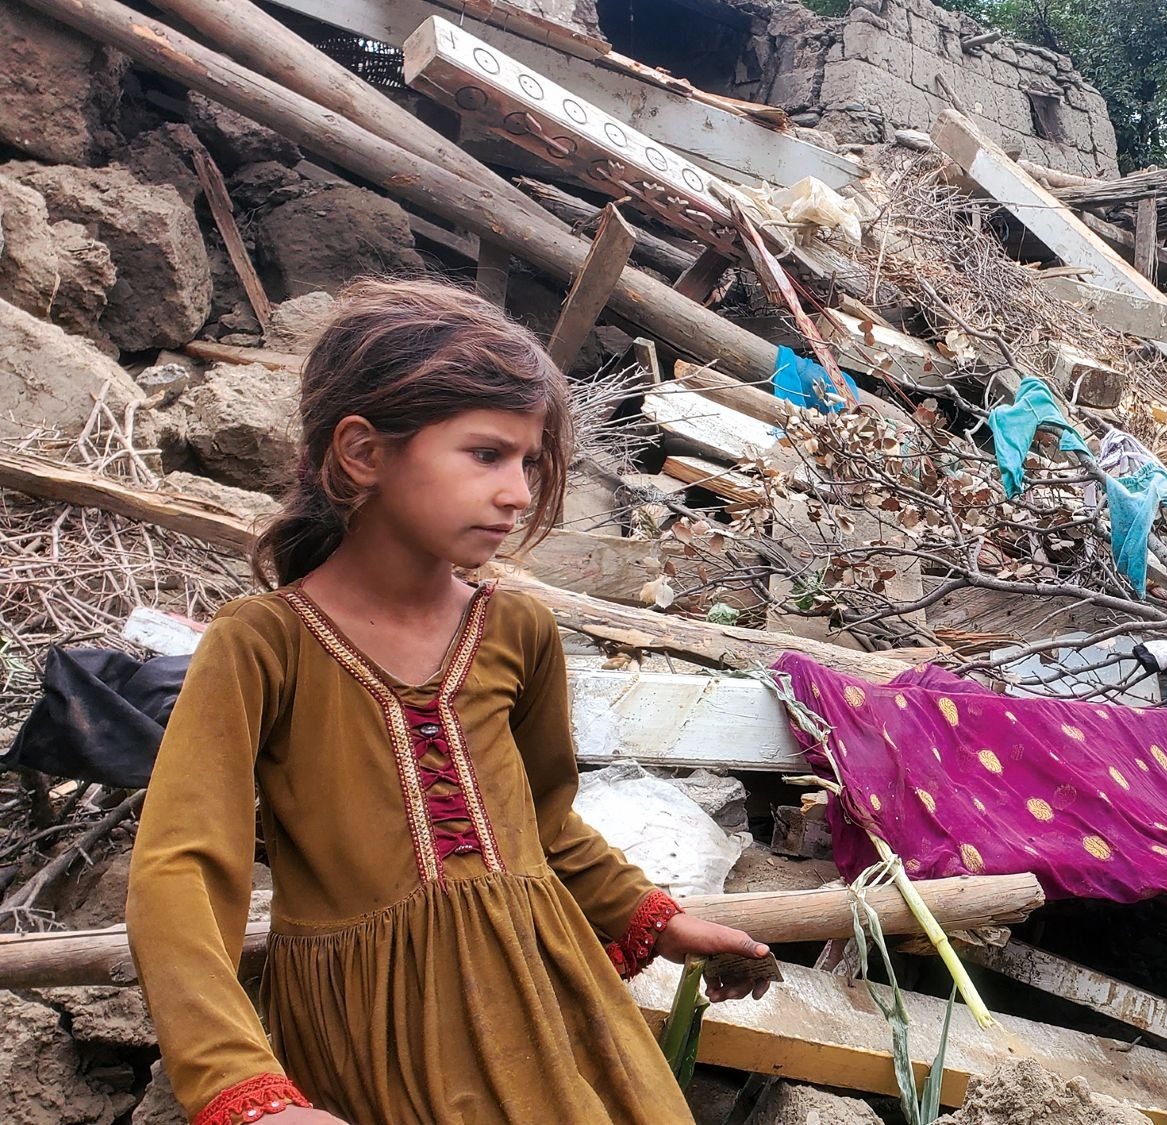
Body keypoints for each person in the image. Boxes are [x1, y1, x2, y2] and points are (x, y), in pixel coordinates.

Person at [127, 278, 770, 1125]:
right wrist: (238, 1086)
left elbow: (543, 822)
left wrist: (654, 916)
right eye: (486, 454)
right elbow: (180, 870)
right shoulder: (264, 645)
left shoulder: (517, 630)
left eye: (530, 462)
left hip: (548, 1003)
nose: (517, 491)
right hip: (382, 1034)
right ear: (362, 453)